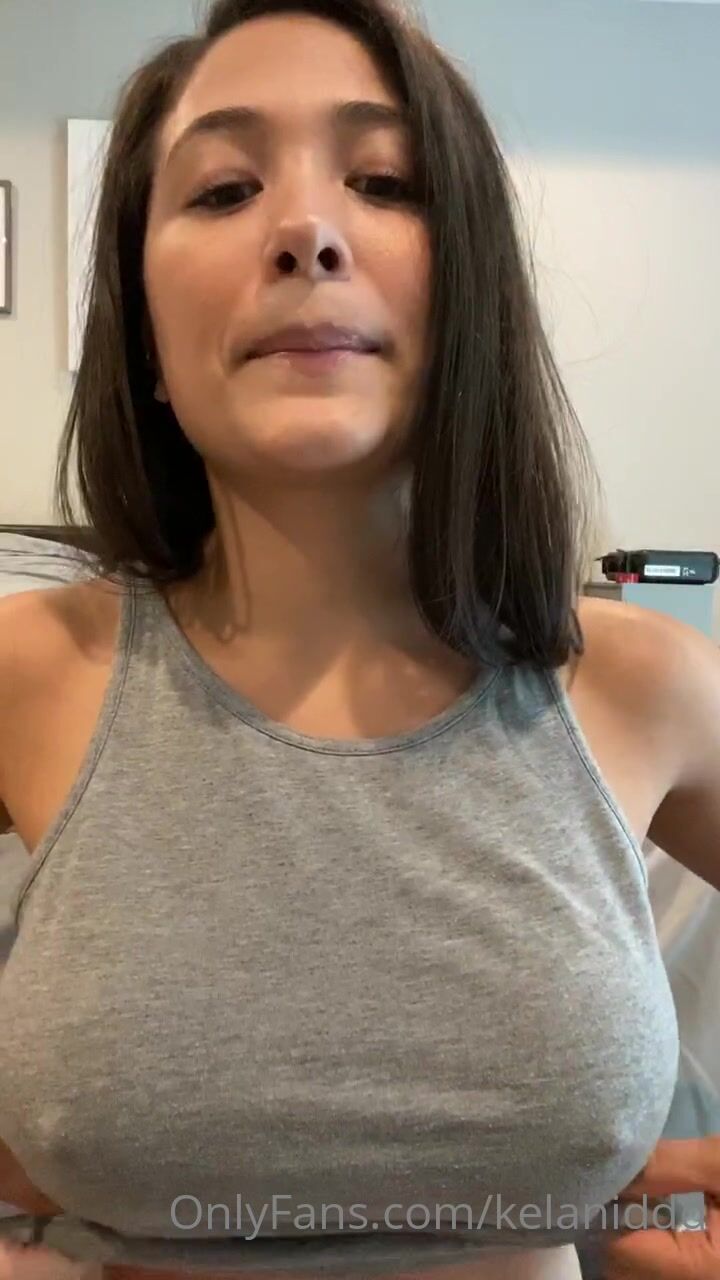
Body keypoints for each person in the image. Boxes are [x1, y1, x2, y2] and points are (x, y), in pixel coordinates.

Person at [0, 1, 718, 1279]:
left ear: (475, 291)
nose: (305, 231)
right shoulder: (27, 672)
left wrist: (639, 1215)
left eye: (383, 181)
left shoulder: (650, 683)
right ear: (147, 336)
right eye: (224, 190)